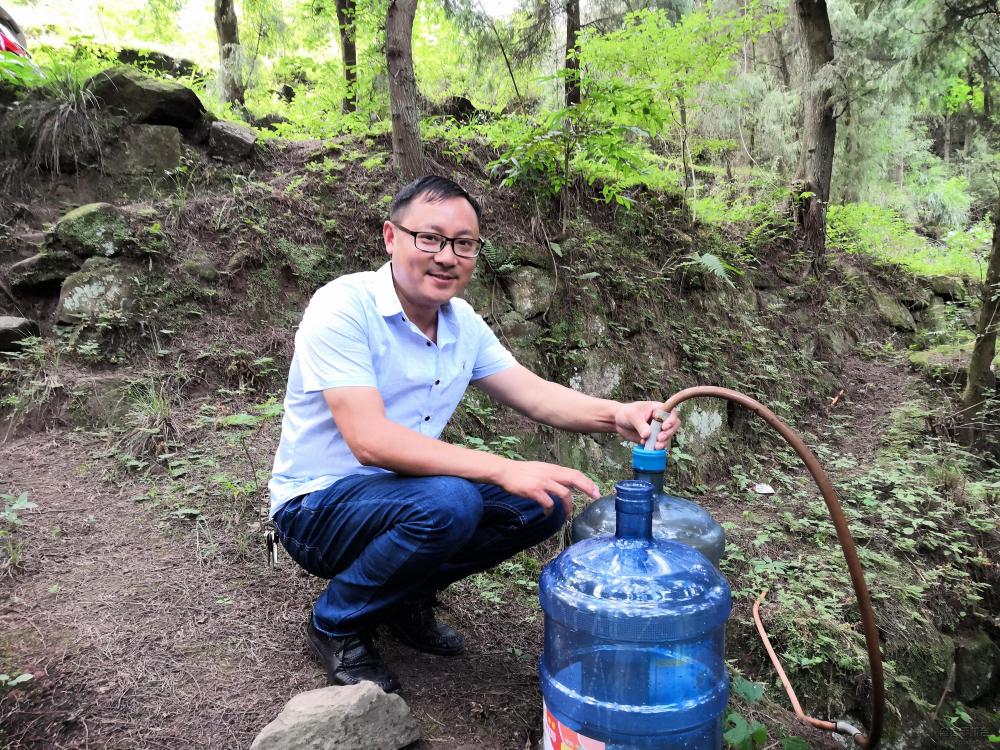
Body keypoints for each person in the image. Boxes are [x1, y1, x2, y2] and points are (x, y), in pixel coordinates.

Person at [268, 175, 679, 693]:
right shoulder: (344, 307)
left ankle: (401, 598)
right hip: (317, 506)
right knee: (451, 502)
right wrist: (503, 467)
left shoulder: (461, 322)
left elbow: (537, 395)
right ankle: (337, 623)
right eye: (431, 238)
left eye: (464, 244)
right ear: (391, 237)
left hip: (400, 496)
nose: (447, 256)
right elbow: (369, 441)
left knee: (542, 505)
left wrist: (618, 414)